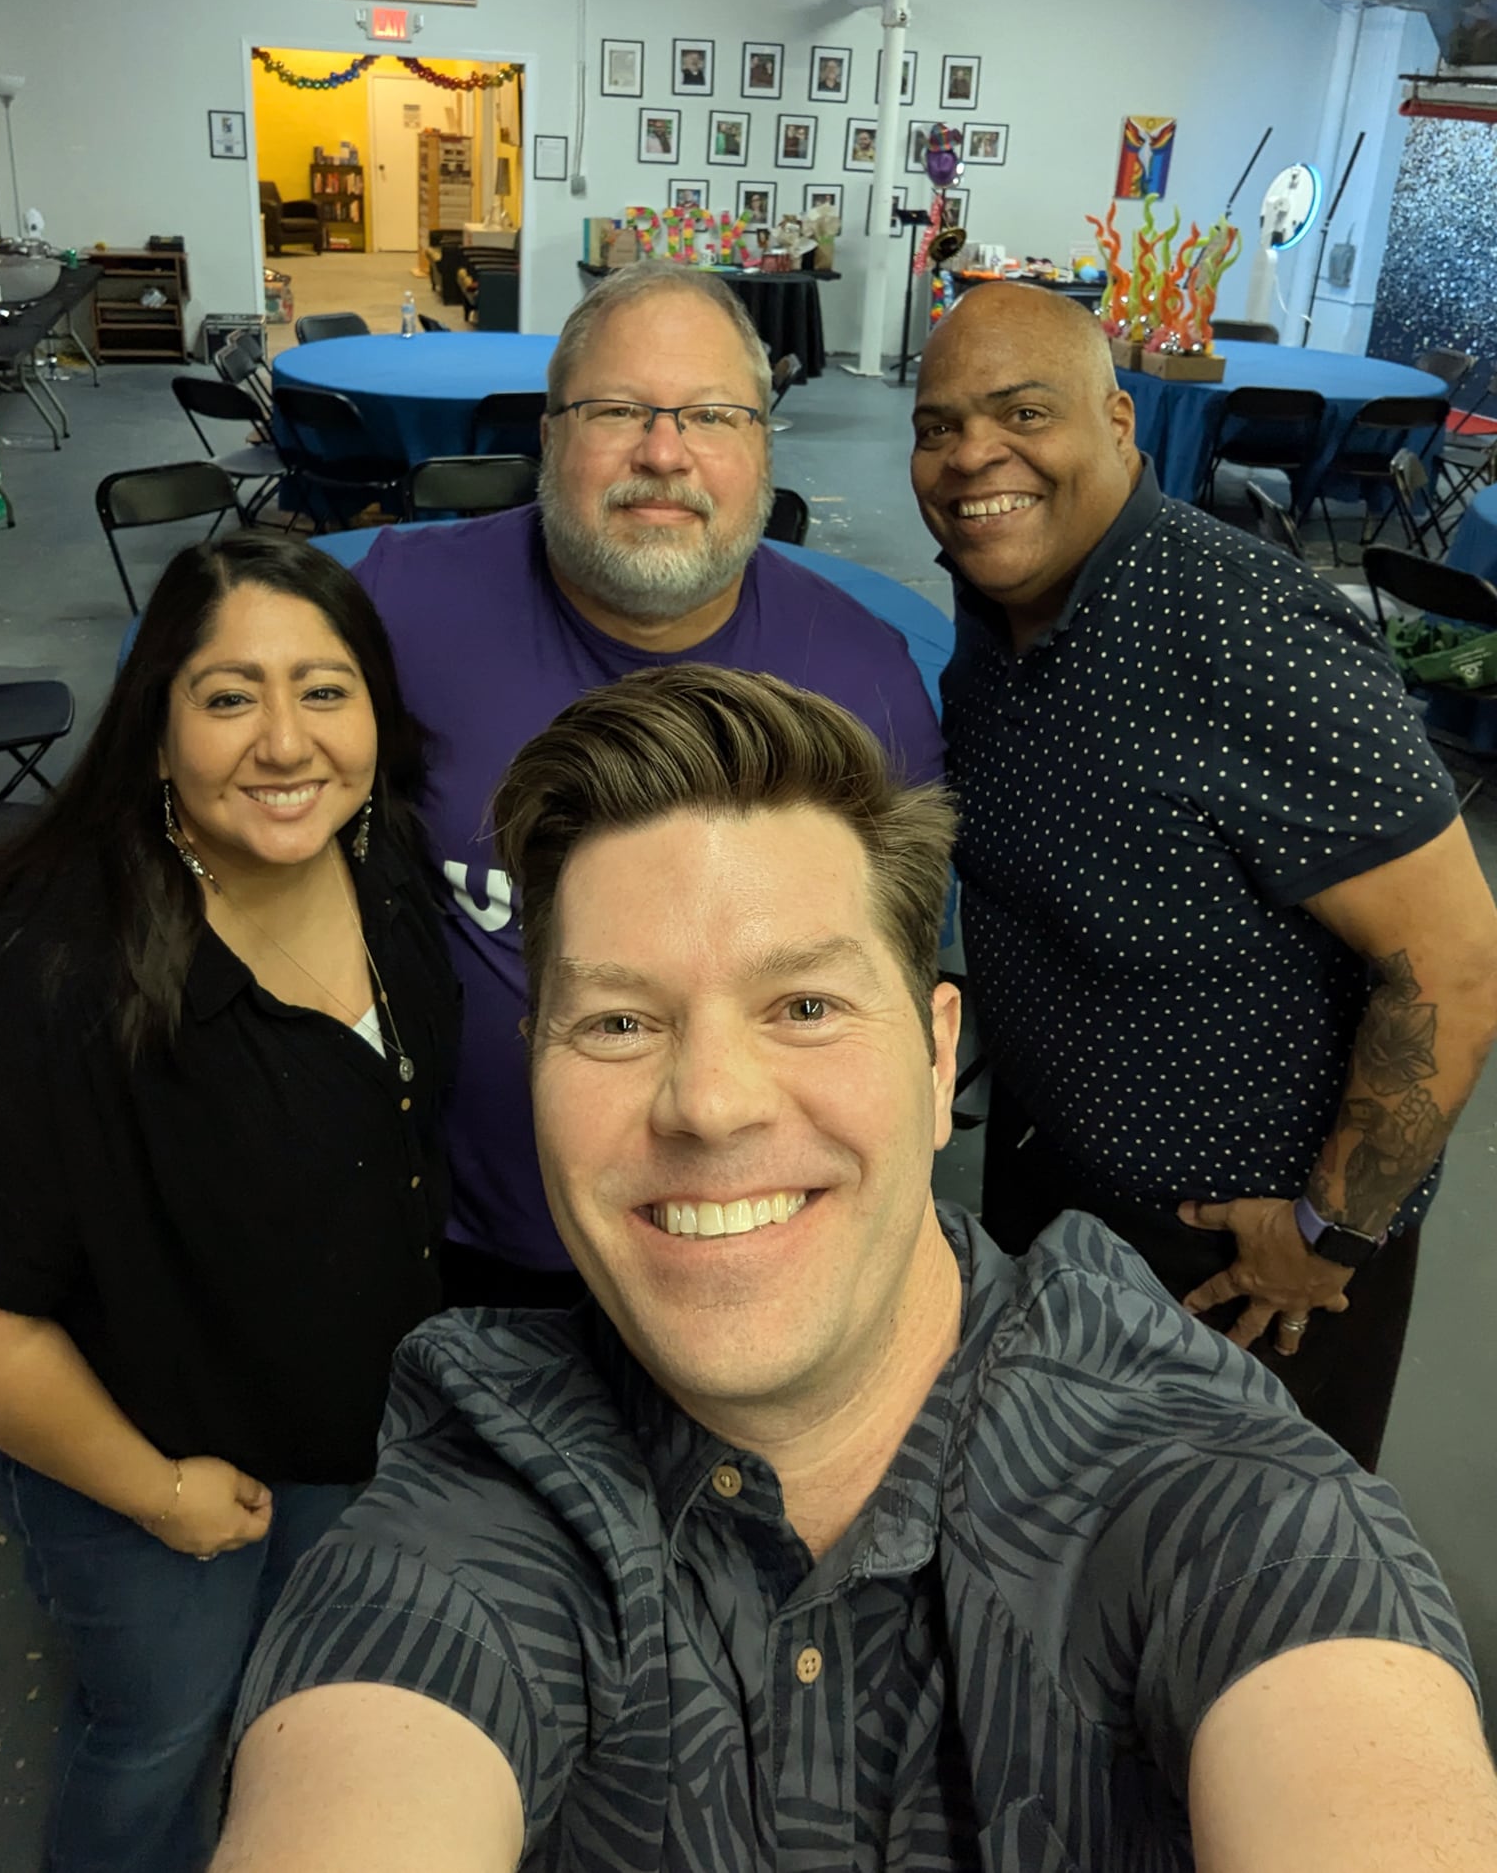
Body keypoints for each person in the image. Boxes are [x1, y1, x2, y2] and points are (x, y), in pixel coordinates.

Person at [211, 666, 1496, 1873]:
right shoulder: (476, 1487)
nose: (708, 1103)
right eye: (616, 1021)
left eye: (806, 1007)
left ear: (939, 1061)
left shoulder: (1223, 1504)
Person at [0, 533, 460, 1873]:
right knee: (157, 1727)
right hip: (140, 1455)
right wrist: (158, 1495)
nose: (284, 741)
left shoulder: (385, 871)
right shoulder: (50, 973)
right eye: (227, 696)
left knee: (281, 1679)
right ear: (155, 732)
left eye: (326, 690)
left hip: (331, 1417)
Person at [909, 282, 1497, 1469]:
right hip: (1054, 1195)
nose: (974, 456)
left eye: (1023, 412)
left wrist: (1328, 1232)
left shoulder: (1245, 630)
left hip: (1236, 1261)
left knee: (1235, 1603)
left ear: (1118, 422)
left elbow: (1453, 958)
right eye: (937, 426)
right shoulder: (1002, 610)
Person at [349, 259, 942, 1308]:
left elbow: (886, 998)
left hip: (741, 1247)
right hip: (439, 1246)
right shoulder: (391, 614)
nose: (663, 454)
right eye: (618, 410)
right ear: (548, 436)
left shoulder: (867, 683)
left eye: (711, 415)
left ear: (762, 448)